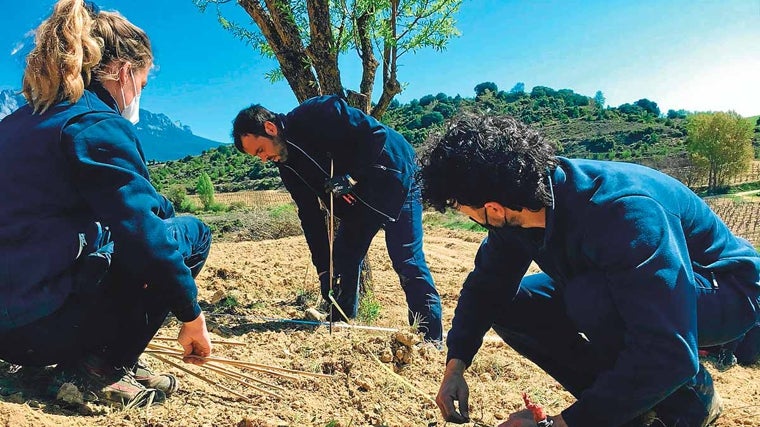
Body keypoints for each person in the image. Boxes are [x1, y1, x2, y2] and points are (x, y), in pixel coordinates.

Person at [418, 113, 760, 426]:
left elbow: (667, 347)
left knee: (591, 297)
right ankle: (626, 409)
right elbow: (486, 287)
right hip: (636, 286)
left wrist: (560, 424)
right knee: (513, 304)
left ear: (491, 207)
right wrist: (455, 366)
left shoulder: (621, 211)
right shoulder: (518, 210)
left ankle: (692, 401)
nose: (470, 219)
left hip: (728, 291)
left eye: (464, 210)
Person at [0, 0, 213, 408]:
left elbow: (128, 208)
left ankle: (110, 357)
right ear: (125, 72)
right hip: (44, 332)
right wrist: (191, 315)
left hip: (7, 332)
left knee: (131, 232)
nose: (139, 98)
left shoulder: (17, 123)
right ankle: (99, 368)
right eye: (143, 85)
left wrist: (154, 209)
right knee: (192, 234)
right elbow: (146, 238)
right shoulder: (97, 123)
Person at [231, 96, 443, 342]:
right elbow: (310, 218)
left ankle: (430, 342)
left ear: (270, 128)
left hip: (397, 178)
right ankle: (341, 328)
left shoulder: (319, 112)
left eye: (260, 150)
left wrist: (351, 176)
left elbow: (376, 134)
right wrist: (323, 270)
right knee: (342, 259)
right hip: (360, 202)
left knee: (407, 260)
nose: (264, 159)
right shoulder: (288, 168)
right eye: (257, 157)